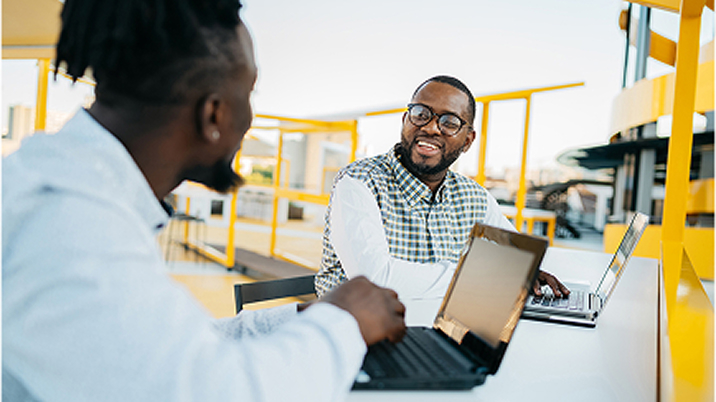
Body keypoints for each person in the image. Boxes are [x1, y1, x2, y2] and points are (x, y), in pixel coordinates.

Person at [2, 1, 406, 401]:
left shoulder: (68, 190)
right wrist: (345, 322)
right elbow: (215, 392)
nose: (250, 116)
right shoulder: (72, 229)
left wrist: (307, 319)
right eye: (250, 92)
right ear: (214, 115)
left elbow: (157, 353)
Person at [315, 75, 570, 300]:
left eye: (449, 122)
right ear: (405, 119)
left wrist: (526, 272)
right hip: (357, 338)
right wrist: (477, 276)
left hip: (440, 334)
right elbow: (375, 278)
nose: (430, 127)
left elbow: (518, 254)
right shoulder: (359, 182)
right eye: (420, 114)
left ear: (468, 140)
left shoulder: (474, 197)